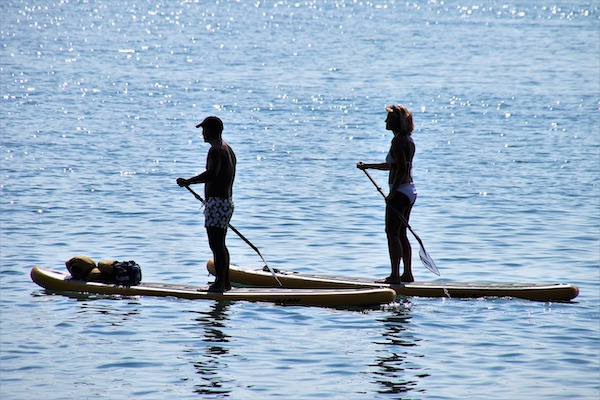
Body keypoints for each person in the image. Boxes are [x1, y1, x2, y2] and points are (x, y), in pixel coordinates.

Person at [357, 105, 417, 283]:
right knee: (401, 233)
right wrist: (368, 166)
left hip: (400, 192)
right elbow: (392, 165)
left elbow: (401, 168)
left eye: (389, 119)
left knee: (392, 233)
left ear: (396, 122)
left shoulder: (398, 141)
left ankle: (394, 276)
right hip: (410, 191)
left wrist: (393, 192)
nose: (385, 121)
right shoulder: (407, 139)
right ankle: (407, 274)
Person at [177, 116, 237, 292]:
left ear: (211, 131)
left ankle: (220, 284)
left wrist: (188, 181)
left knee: (216, 244)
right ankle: (225, 283)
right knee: (220, 244)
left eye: (204, 130)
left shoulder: (216, 150)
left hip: (217, 204)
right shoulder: (228, 149)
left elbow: (212, 174)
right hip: (226, 203)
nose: (203, 133)